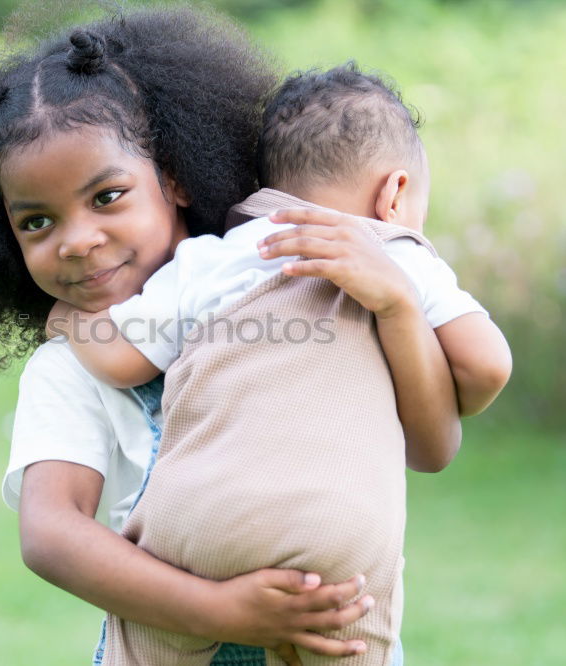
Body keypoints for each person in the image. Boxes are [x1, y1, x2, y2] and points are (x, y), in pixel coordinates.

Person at [0, 9, 460, 665]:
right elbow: (51, 533)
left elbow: (433, 444)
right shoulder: (70, 367)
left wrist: (400, 307)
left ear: (177, 177)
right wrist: (220, 611)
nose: (76, 240)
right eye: (37, 221)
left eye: (106, 197)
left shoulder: (293, 286)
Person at [52, 63, 512, 665]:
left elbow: (119, 360)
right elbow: (486, 367)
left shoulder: (210, 258)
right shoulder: (393, 251)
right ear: (393, 194)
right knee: (350, 637)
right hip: (337, 535)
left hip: (190, 532)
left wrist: (67, 314)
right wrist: (403, 315)